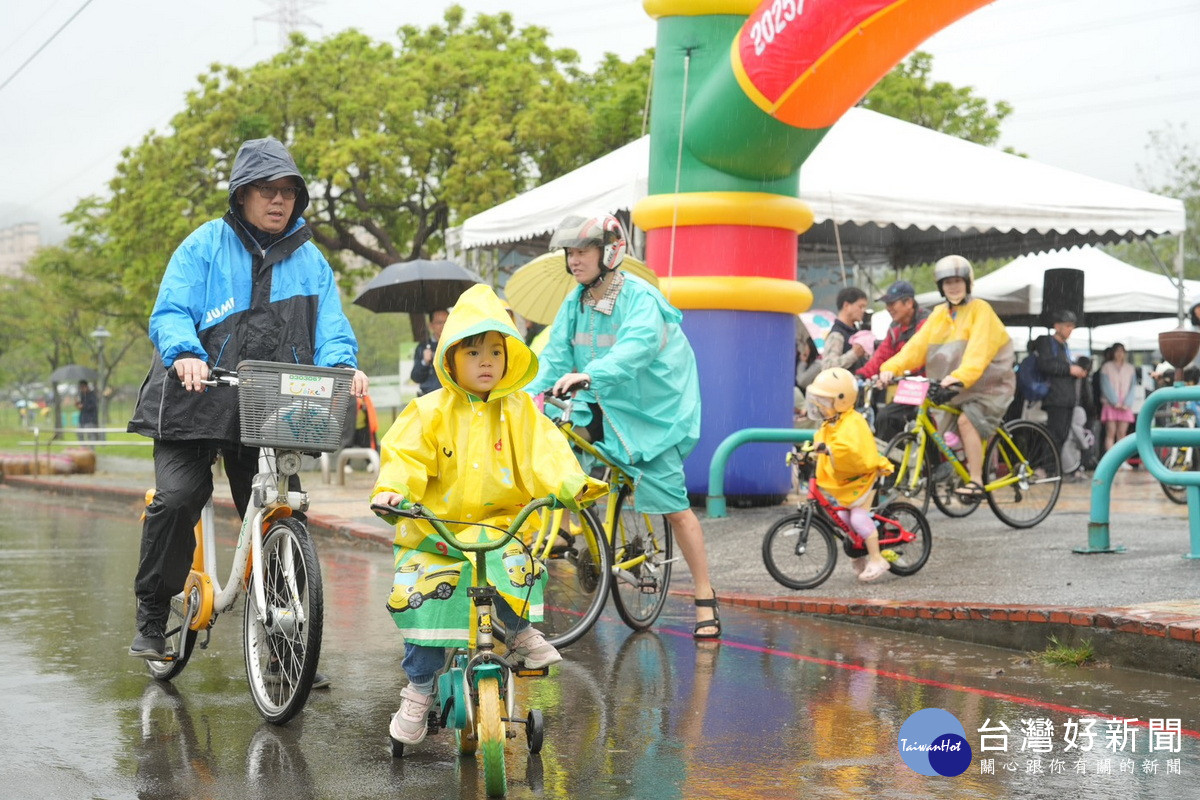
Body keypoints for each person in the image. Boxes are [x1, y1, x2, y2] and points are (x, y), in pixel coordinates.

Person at [126, 137, 368, 689]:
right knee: (180, 497)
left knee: (281, 513)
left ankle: (289, 645)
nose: (278, 201)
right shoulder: (204, 246)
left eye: (288, 192)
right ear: (241, 195)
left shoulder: (311, 261)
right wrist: (185, 353)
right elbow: (170, 311)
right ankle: (152, 612)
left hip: (267, 407)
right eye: (267, 190)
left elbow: (331, 329)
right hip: (193, 399)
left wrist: (344, 366)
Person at [370, 283, 605, 747]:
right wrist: (395, 492)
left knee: (511, 567)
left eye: (495, 352)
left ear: (509, 357)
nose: (484, 362)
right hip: (435, 533)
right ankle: (418, 690)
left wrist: (571, 485)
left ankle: (517, 632)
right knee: (427, 602)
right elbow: (405, 458)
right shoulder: (428, 412)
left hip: (501, 527)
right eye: (473, 351)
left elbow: (547, 453)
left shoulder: (520, 412)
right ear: (451, 358)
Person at [529, 212, 722, 639]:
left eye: (582, 251)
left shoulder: (640, 297)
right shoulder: (574, 301)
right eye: (570, 253)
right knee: (553, 443)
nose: (574, 260)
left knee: (674, 507)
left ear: (610, 251)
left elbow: (636, 347)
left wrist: (591, 374)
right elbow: (555, 358)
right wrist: (520, 394)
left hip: (651, 414)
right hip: (600, 403)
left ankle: (706, 597)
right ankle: (563, 528)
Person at [878, 255, 1015, 500]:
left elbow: (978, 353)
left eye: (957, 281)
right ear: (941, 287)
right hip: (958, 386)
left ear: (968, 283)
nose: (953, 287)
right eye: (947, 282)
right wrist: (891, 368)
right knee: (941, 426)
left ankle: (975, 480)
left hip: (989, 385)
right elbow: (914, 348)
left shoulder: (980, 310)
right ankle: (956, 466)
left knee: (965, 422)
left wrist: (958, 378)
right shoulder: (939, 315)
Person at [805, 368, 895, 582]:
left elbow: (852, 449)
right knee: (844, 517)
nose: (820, 406)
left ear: (841, 400)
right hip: (847, 481)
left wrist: (829, 449)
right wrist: (808, 451)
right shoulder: (831, 422)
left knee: (858, 517)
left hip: (863, 476)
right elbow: (821, 441)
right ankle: (861, 554)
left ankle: (877, 558)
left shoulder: (853, 421)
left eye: (824, 401)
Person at [858, 280, 930, 441]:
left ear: (909, 302)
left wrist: (893, 372)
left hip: (931, 387)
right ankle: (893, 463)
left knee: (932, 429)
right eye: (887, 304)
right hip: (909, 390)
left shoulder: (926, 323)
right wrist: (861, 375)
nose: (888, 308)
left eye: (892, 303)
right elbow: (882, 355)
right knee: (885, 418)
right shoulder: (895, 327)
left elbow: (919, 354)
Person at [1034, 310, 1088, 456]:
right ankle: (1047, 468)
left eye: (1072, 326)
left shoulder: (1064, 347)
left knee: (1062, 435)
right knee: (1053, 435)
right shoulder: (1046, 342)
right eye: (1067, 326)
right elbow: (1045, 365)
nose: (1071, 330)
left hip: (1067, 399)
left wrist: (1077, 372)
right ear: (1057, 326)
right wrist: (1069, 369)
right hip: (1055, 397)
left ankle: (1054, 469)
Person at [1099, 341, 1138, 458]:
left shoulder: (1130, 368)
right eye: (1117, 351)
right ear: (1113, 353)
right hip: (1110, 404)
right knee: (1110, 433)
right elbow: (1105, 386)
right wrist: (1114, 401)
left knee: (1122, 434)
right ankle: (1111, 459)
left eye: (1122, 351)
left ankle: (1122, 460)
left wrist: (1127, 403)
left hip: (1126, 404)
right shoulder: (1106, 367)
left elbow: (1133, 387)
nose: (1119, 354)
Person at [820, 286, 869, 372]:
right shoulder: (837, 335)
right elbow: (827, 367)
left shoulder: (856, 332)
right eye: (860, 306)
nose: (863, 311)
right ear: (846, 305)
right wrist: (854, 354)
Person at [410, 309, 449, 396]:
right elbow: (416, 377)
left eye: (446, 322)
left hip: (452, 398)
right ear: (431, 326)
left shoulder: (456, 345)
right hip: (430, 398)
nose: (443, 325)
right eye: (439, 322)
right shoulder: (423, 347)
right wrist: (424, 362)